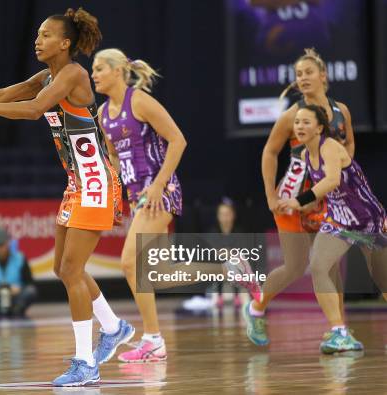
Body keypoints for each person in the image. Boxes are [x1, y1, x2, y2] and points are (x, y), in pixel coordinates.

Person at [0, 8, 133, 386]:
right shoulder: (48, 75)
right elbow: (4, 93)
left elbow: (34, 110)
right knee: (62, 269)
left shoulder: (74, 74)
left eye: (46, 35)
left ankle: (86, 362)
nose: (38, 40)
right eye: (37, 34)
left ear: (65, 43)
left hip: (96, 180)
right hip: (78, 181)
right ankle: (113, 328)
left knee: (70, 271)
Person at [91, 48, 261, 363]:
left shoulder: (139, 100)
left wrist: (157, 185)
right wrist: (119, 190)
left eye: (100, 68)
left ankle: (153, 340)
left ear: (118, 71)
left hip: (161, 190)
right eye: (93, 69)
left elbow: (178, 140)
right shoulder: (102, 115)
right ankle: (229, 267)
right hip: (138, 196)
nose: (94, 74)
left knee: (132, 264)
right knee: (159, 272)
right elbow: (115, 157)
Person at [244, 48, 354, 346]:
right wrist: (269, 194)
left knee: (330, 265)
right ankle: (255, 307)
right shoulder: (293, 115)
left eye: (308, 72)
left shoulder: (341, 111)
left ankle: (338, 329)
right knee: (295, 266)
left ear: (323, 76)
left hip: (327, 199)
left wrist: (339, 178)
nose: (303, 78)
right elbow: (269, 151)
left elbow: (349, 146)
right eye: (298, 74)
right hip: (292, 198)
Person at [279, 104, 387, 353]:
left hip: (366, 218)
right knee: (318, 266)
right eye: (297, 122)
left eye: (306, 122)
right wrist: (304, 208)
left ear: (319, 127)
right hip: (338, 219)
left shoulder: (330, 146)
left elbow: (332, 180)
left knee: (382, 280)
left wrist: (299, 200)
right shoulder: (306, 155)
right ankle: (340, 333)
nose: (300, 126)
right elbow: (324, 191)